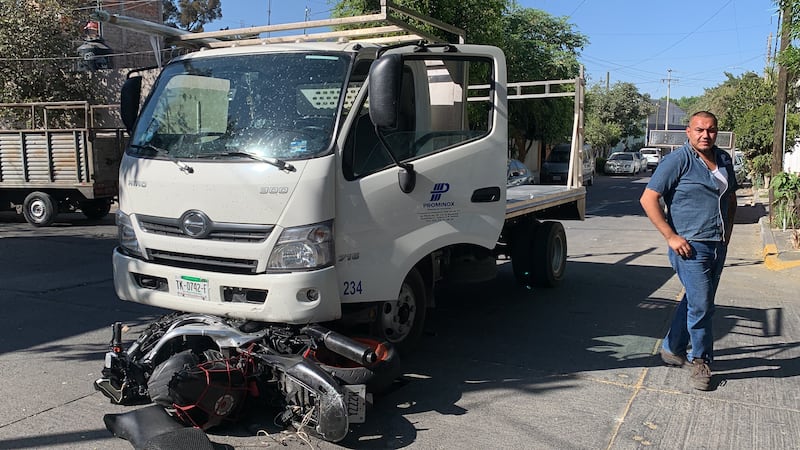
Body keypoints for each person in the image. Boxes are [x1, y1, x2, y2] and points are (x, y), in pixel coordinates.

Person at [639, 111, 737, 391]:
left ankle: (672, 347)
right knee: (703, 304)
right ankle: (701, 361)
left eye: (711, 130)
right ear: (688, 131)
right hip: (689, 246)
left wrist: (728, 232)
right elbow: (648, 199)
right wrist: (670, 236)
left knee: (697, 301)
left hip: (717, 244)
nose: (705, 135)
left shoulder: (724, 159)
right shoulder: (677, 161)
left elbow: (731, 197)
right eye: (700, 130)